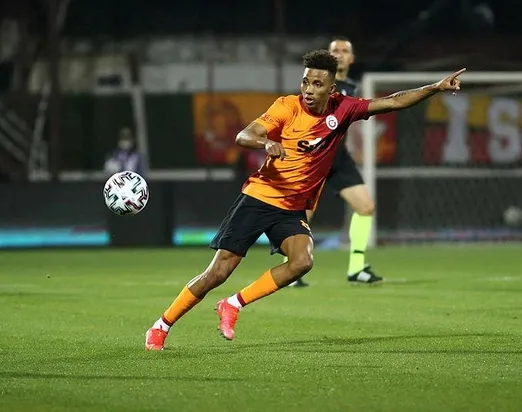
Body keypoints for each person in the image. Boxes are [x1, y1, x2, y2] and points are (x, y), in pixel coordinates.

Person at [145, 49, 465, 350]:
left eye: (317, 84)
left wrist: (435, 88)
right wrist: (265, 144)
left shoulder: (344, 108)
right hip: (260, 197)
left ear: (331, 89)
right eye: (305, 82)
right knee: (218, 273)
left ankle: (233, 304)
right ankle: (161, 325)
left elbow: (393, 102)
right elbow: (244, 135)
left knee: (302, 262)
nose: (309, 90)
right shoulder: (287, 107)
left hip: (291, 208)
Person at [289, 36, 379, 287]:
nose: (339, 54)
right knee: (302, 216)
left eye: (344, 51)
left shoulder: (350, 86)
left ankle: (356, 268)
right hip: (314, 158)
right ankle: (292, 269)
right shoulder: (318, 85)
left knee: (365, 207)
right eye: (334, 50)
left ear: (352, 58)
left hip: (338, 158)